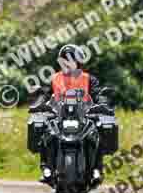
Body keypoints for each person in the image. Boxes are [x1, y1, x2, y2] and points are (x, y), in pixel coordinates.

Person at [33, 44, 102, 184]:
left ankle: (96, 169)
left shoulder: (89, 79)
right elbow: (45, 96)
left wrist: (103, 104)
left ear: (78, 61)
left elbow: (98, 96)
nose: (68, 62)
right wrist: (38, 104)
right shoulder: (54, 79)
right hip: (58, 117)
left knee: (97, 133)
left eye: (71, 59)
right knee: (46, 133)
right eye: (64, 59)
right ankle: (47, 169)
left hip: (84, 117)